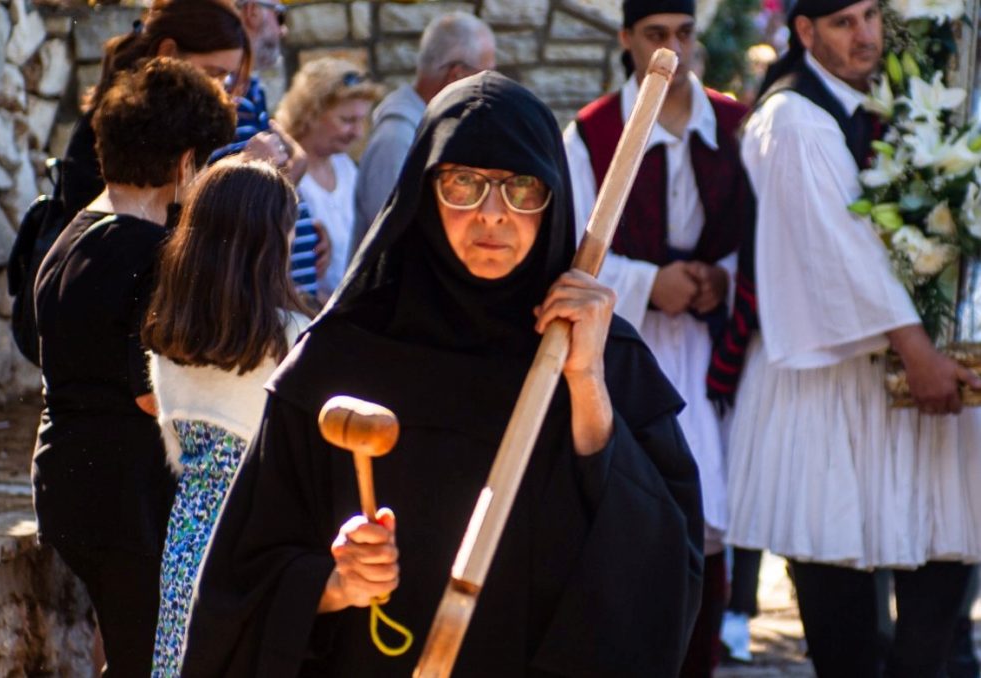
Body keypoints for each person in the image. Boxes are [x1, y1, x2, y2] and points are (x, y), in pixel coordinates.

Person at [180, 71, 704, 677]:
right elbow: (237, 589)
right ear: (424, 194)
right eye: (463, 184)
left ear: (553, 199)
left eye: (521, 188)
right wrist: (333, 583)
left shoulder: (598, 350)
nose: (492, 215)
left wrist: (586, 382)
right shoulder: (342, 357)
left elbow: (664, 560)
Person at [727, 0, 981, 675]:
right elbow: (839, 253)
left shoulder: (897, 102)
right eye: (843, 22)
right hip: (831, 390)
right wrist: (919, 351)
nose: (865, 34)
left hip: (907, 390)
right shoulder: (794, 119)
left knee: (933, 619)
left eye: (871, 14)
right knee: (843, 631)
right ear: (805, 31)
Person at [563, 0, 755, 673]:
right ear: (625, 39)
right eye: (654, 36)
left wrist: (720, 281)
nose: (671, 50)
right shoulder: (591, 133)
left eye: (682, 34)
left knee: (708, 515)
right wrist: (652, 283)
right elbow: (575, 251)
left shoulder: (733, 123)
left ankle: (700, 656)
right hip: (624, 348)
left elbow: (761, 239)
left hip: (710, 351)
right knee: (637, 509)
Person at [32, 58, 235, 676]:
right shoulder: (149, 254)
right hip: (125, 499)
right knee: (153, 661)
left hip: (68, 482)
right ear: (183, 163)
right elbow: (154, 396)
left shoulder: (73, 234)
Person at [143, 159, 311, 676]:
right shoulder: (291, 341)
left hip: (188, 534)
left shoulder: (167, 339)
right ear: (267, 242)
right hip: (255, 548)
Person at [58, 0, 251, 229]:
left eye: (225, 78)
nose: (220, 90)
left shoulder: (183, 129)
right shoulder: (119, 126)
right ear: (168, 52)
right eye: (211, 73)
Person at [351, 12, 496, 250]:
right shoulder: (397, 138)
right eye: (486, 75)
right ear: (457, 75)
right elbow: (394, 236)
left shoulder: (431, 128)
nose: (489, 87)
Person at [276, 58, 384, 301]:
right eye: (347, 120)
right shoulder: (285, 169)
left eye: (361, 120)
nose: (357, 132)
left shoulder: (345, 167)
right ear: (310, 113)